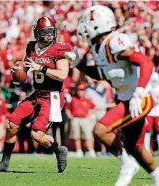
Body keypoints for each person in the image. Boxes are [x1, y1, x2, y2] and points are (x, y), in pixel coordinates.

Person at [65, 5, 159, 186]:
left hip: (142, 96)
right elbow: (101, 75)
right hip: (125, 97)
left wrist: (139, 92)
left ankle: (127, 165)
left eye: (87, 22)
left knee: (101, 130)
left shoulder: (115, 41)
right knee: (135, 146)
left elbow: (145, 62)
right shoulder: (98, 47)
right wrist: (78, 64)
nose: (84, 27)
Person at [0, 16, 71, 173]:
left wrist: (40, 67)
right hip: (36, 94)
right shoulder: (32, 47)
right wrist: (17, 74)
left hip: (52, 97)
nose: (49, 36)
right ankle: (4, 162)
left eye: (51, 32)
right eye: (46, 33)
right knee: (12, 124)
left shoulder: (60, 49)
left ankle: (59, 150)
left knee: (37, 135)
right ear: (37, 33)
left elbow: (62, 74)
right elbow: (24, 70)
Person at [65, 83, 96, 157]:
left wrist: (89, 114)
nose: (80, 92)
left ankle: (91, 151)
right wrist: (70, 116)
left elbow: (94, 107)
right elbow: (67, 108)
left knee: (88, 135)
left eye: (82, 90)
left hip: (85, 119)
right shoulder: (73, 99)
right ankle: (79, 151)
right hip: (75, 119)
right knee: (76, 136)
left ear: (84, 91)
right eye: (79, 90)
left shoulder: (87, 100)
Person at [144, 72, 159, 154]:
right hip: (149, 112)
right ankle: (146, 149)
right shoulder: (148, 88)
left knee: (158, 130)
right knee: (147, 130)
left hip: (157, 111)